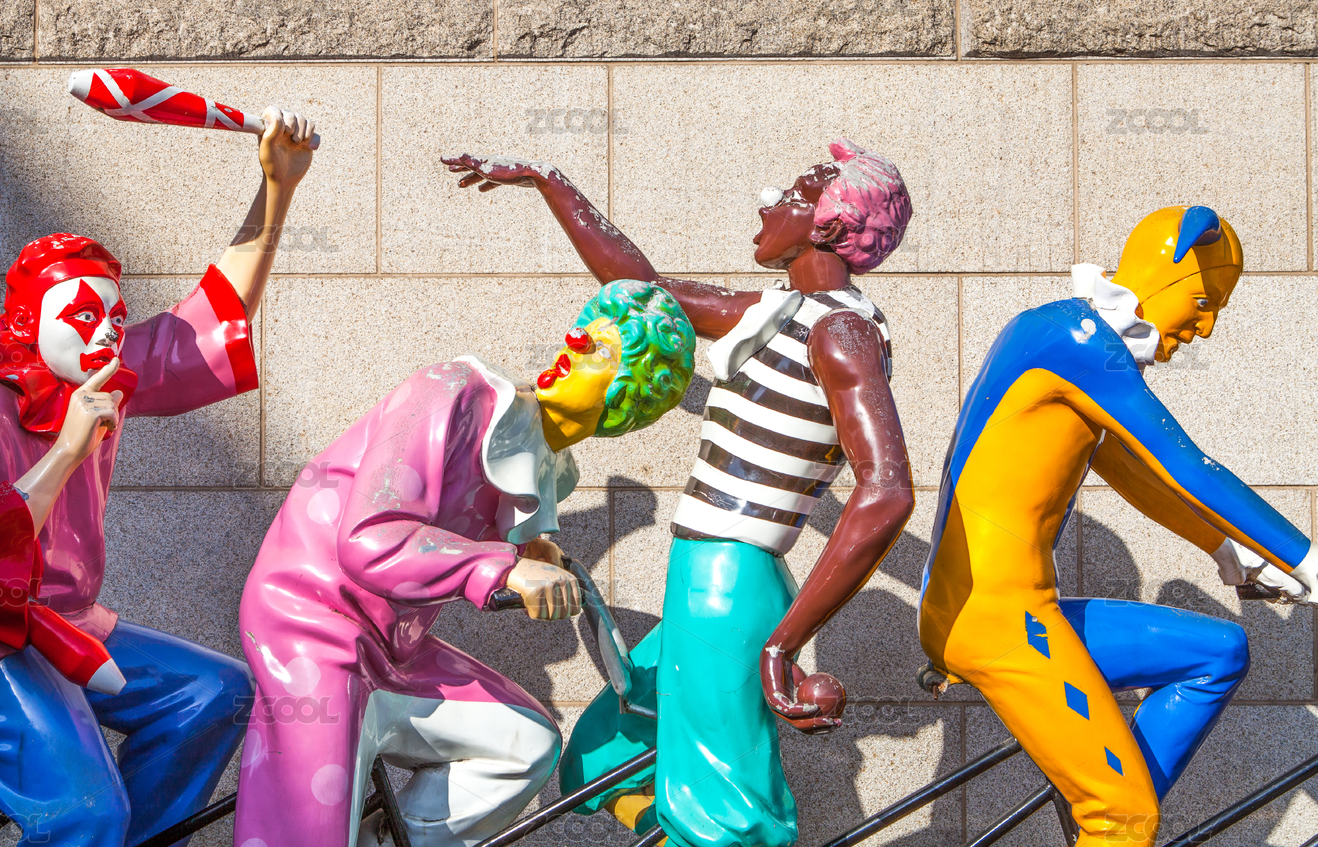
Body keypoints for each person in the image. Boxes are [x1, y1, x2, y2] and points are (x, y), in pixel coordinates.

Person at [0, 108, 319, 847]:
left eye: (115, 315)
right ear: (29, 321)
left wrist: (277, 189)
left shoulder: (100, 377)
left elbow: (207, 322)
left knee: (216, 692)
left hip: (66, 620)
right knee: (84, 813)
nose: (107, 331)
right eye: (83, 315)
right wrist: (68, 449)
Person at [441, 141, 916, 847]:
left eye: (792, 194)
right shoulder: (783, 312)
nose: (769, 202)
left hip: (730, 580)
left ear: (828, 226)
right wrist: (550, 182)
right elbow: (641, 288)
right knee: (603, 752)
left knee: (725, 819)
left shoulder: (840, 329)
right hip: (708, 576)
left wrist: (783, 645)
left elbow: (888, 490)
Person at [233, 280, 696, 847]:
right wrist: (504, 568)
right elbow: (368, 540)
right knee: (306, 834)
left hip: (392, 651)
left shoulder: (548, 465)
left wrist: (531, 553)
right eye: (581, 332)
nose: (572, 341)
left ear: (626, 398)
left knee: (526, 743)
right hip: (310, 620)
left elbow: (496, 522)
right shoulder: (455, 390)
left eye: (599, 349)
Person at [918, 206, 1318, 846]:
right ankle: (1112, 818)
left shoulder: (1062, 338)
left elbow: (1135, 472)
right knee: (1122, 816)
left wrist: (1226, 550)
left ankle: (1107, 811)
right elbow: (1187, 467)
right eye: (1204, 301)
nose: (1207, 327)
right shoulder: (1075, 340)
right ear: (1168, 270)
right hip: (994, 617)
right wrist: (1308, 560)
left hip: (1015, 609)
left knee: (1217, 653)